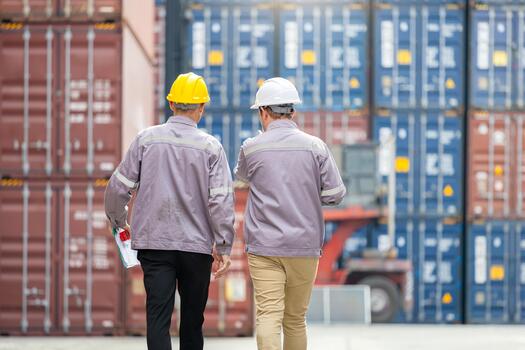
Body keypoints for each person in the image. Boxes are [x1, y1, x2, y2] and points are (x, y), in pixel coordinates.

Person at [104, 72, 235, 350]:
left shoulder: (146, 140)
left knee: (158, 318)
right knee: (191, 321)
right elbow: (221, 202)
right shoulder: (211, 147)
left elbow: (118, 187)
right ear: (201, 108)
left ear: (172, 104)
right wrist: (223, 246)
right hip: (197, 249)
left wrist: (119, 220)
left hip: (155, 245)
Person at [234, 77, 346, 350]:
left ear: (263, 112)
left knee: (268, 315)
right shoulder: (315, 146)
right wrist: (306, 192)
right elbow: (336, 194)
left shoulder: (251, 148)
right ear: (293, 111)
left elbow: (240, 180)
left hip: (264, 246)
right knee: (295, 319)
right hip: (304, 246)